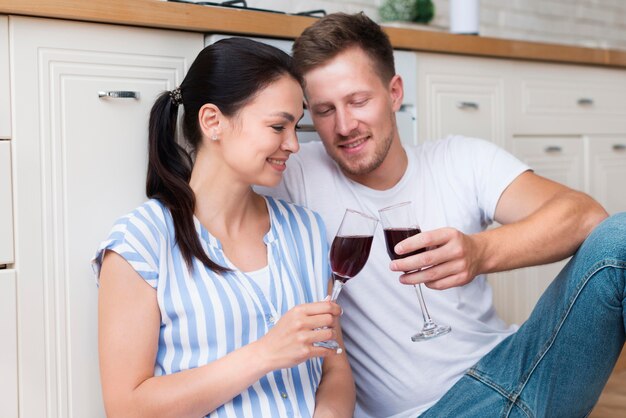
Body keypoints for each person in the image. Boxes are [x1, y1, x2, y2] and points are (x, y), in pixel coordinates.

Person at [257, 12, 626, 417]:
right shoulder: (293, 173)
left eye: (358, 101)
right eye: (324, 111)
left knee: (621, 236)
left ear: (395, 92)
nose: (345, 125)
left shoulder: (460, 159)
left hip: (517, 371)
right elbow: (215, 181)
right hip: (435, 411)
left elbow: (586, 215)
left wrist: (480, 252)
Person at [92, 37, 355, 418]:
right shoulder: (141, 241)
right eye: (278, 126)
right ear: (213, 121)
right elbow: (127, 407)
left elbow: (336, 368)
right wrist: (263, 354)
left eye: (296, 126)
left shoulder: (307, 230)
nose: (294, 144)